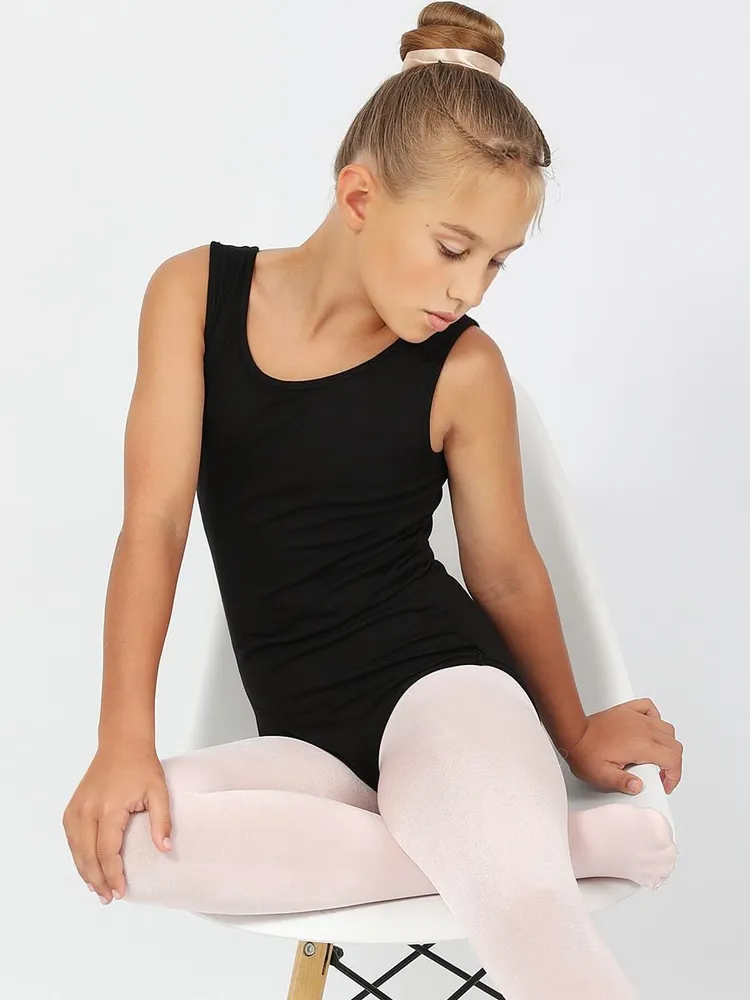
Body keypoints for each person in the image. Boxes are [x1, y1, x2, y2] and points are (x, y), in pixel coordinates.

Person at [62, 4, 681, 997]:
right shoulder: (193, 296)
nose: (471, 289)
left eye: (496, 263)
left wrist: (572, 730)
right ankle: (550, 848)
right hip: (304, 745)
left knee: (522, 913)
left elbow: (505, 572)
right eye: (453, 247)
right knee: (124, 838)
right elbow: (156, 523)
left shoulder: (464, 369)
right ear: (359, 196)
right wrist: (122, 738)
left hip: (446, 695)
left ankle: (512, 855)